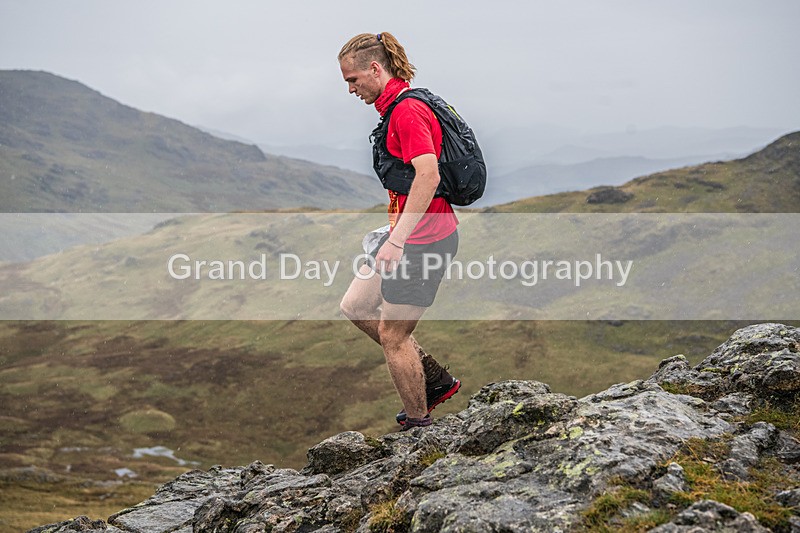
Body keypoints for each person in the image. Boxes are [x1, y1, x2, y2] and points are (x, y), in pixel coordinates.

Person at [338, 32, 461, 431]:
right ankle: (432, 378)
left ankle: (419, 427)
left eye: (353, 80)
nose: (351, 89)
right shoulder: (395, 108)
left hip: (425, 241)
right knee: (356, 306)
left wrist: (397, 240)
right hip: (406, 234)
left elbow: (428, 175)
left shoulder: (407, 111)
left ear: (375, 69)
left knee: (393, 335)